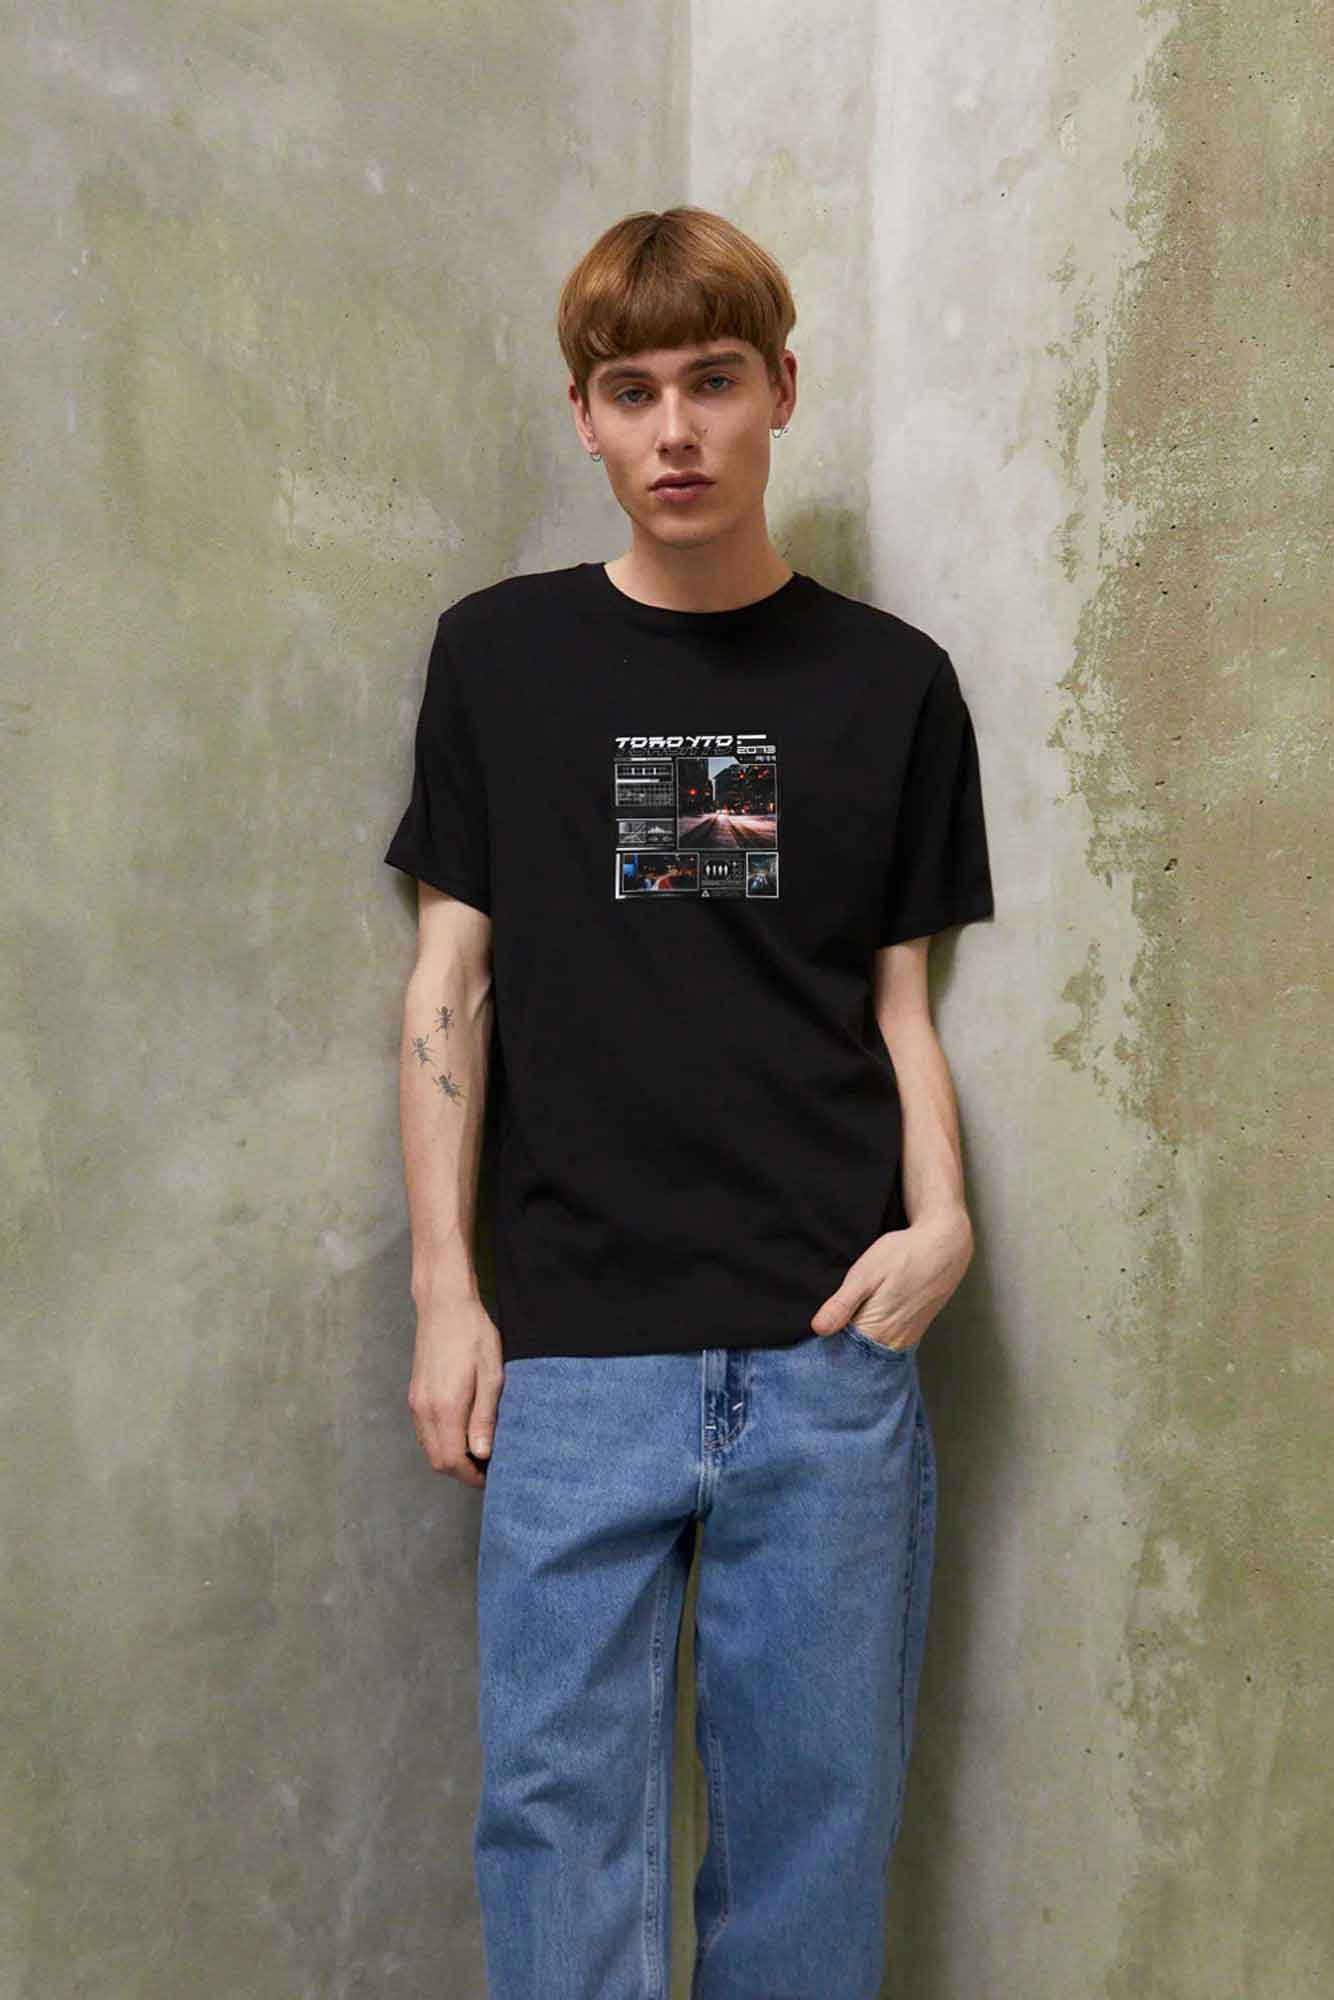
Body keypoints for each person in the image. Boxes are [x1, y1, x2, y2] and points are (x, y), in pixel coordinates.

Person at [383, 205, 995, 2000]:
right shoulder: (500, 657)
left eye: (712, 382)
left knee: (813, 1838)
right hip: (571, 1354)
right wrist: (443, 1292)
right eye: (631, 390)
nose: (675, 430)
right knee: (555, 1832)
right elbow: (449, 983)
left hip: (827, 1349)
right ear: (582, 415)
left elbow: (897, 997)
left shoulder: (890, 683)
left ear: (779, 391)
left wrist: (943, 1221)